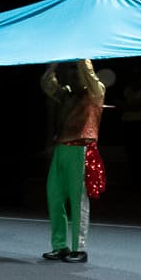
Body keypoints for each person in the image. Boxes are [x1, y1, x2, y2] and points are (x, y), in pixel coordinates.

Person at [40, 59, 105, 262]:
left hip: (80, 149)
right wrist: (52, 67)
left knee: (78, 202)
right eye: (72, 72)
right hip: (61, 148)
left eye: (77, 72)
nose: (73, 76)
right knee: (55, 196)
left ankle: (80, 248)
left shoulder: (96, 91)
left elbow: (90, 76)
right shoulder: (68, 92)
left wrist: (81, 56)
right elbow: (48, 86)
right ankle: (60, 246)